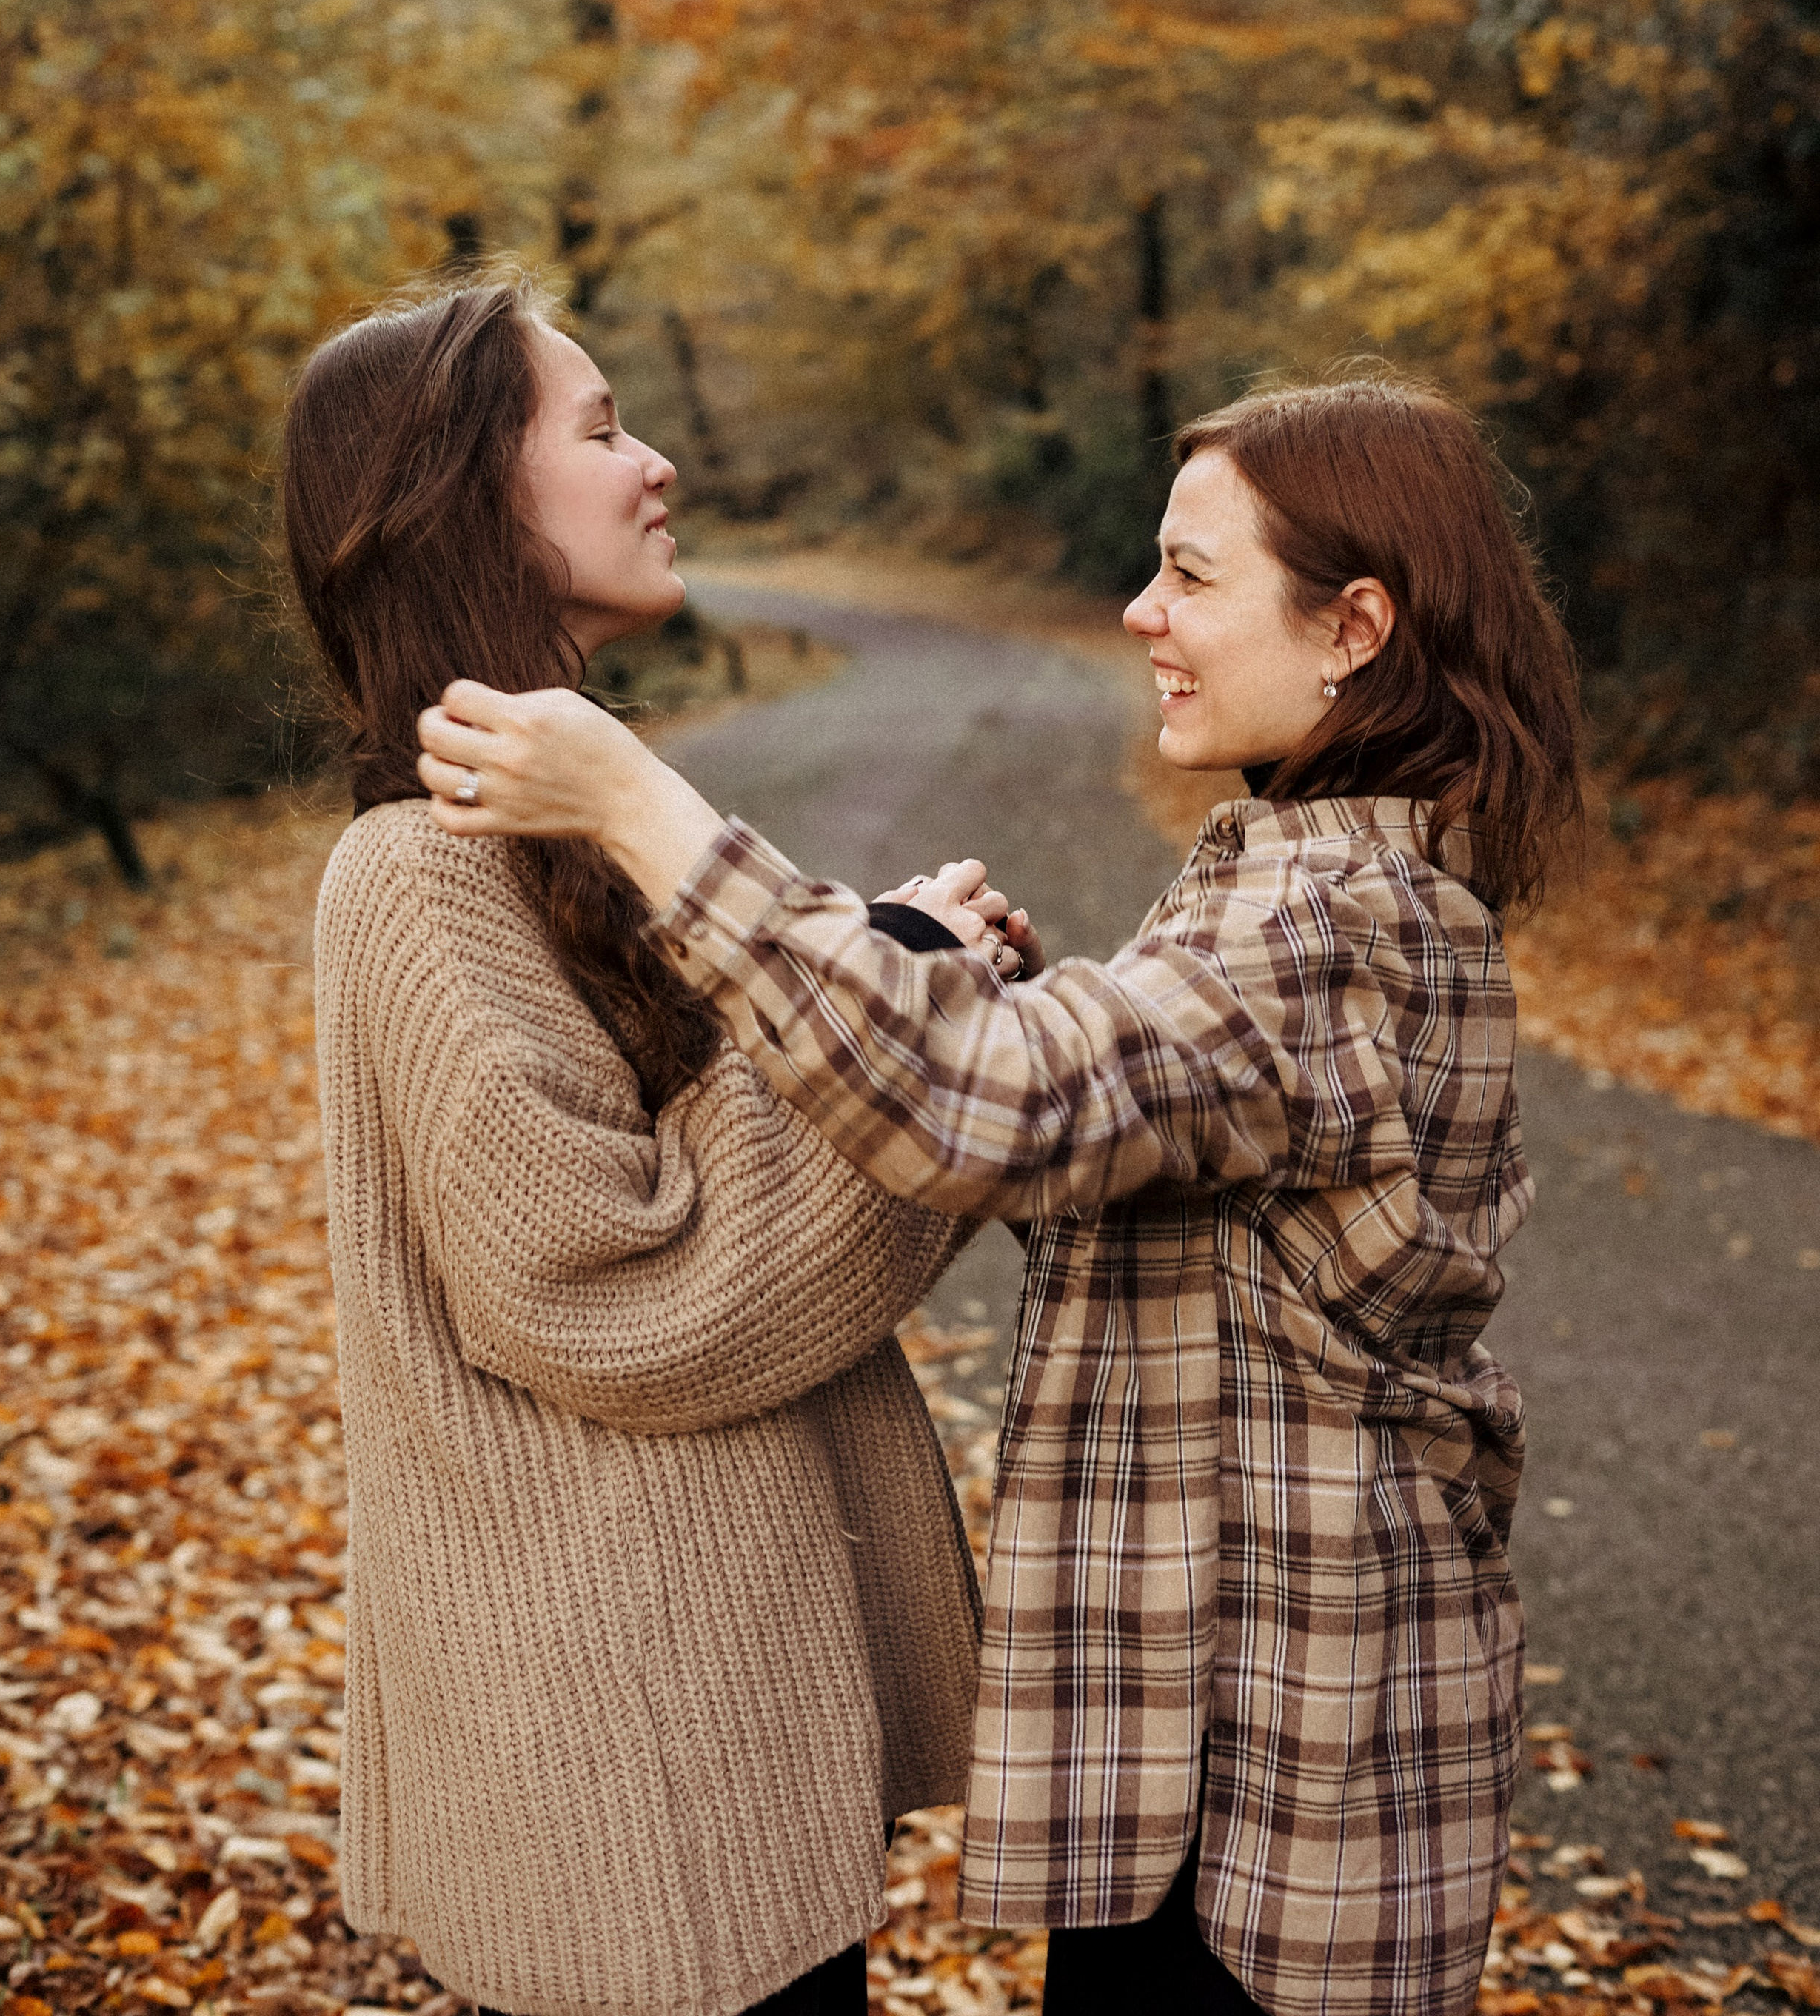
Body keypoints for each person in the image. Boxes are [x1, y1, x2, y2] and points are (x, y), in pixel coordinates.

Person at [415, 375, 1584, 2016]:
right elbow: (1130, 1169)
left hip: (1284, 1775)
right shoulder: (1285, 880)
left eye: (1189, 574)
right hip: (1201, 1746)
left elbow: (995, 1109)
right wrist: (951, 986)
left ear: (1352, 628)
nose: (1136, 610)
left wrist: (638, 804)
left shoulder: (1336, 922)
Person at [281, 272, 985, 2016]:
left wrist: (891, 961)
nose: (656, 462)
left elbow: (722, 1089)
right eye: (599, 429)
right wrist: (899, 995)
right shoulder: (421, 876)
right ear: (464, 503)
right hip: (625, 1758)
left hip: (704, 1711)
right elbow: (617, 1290)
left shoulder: (565, 826)